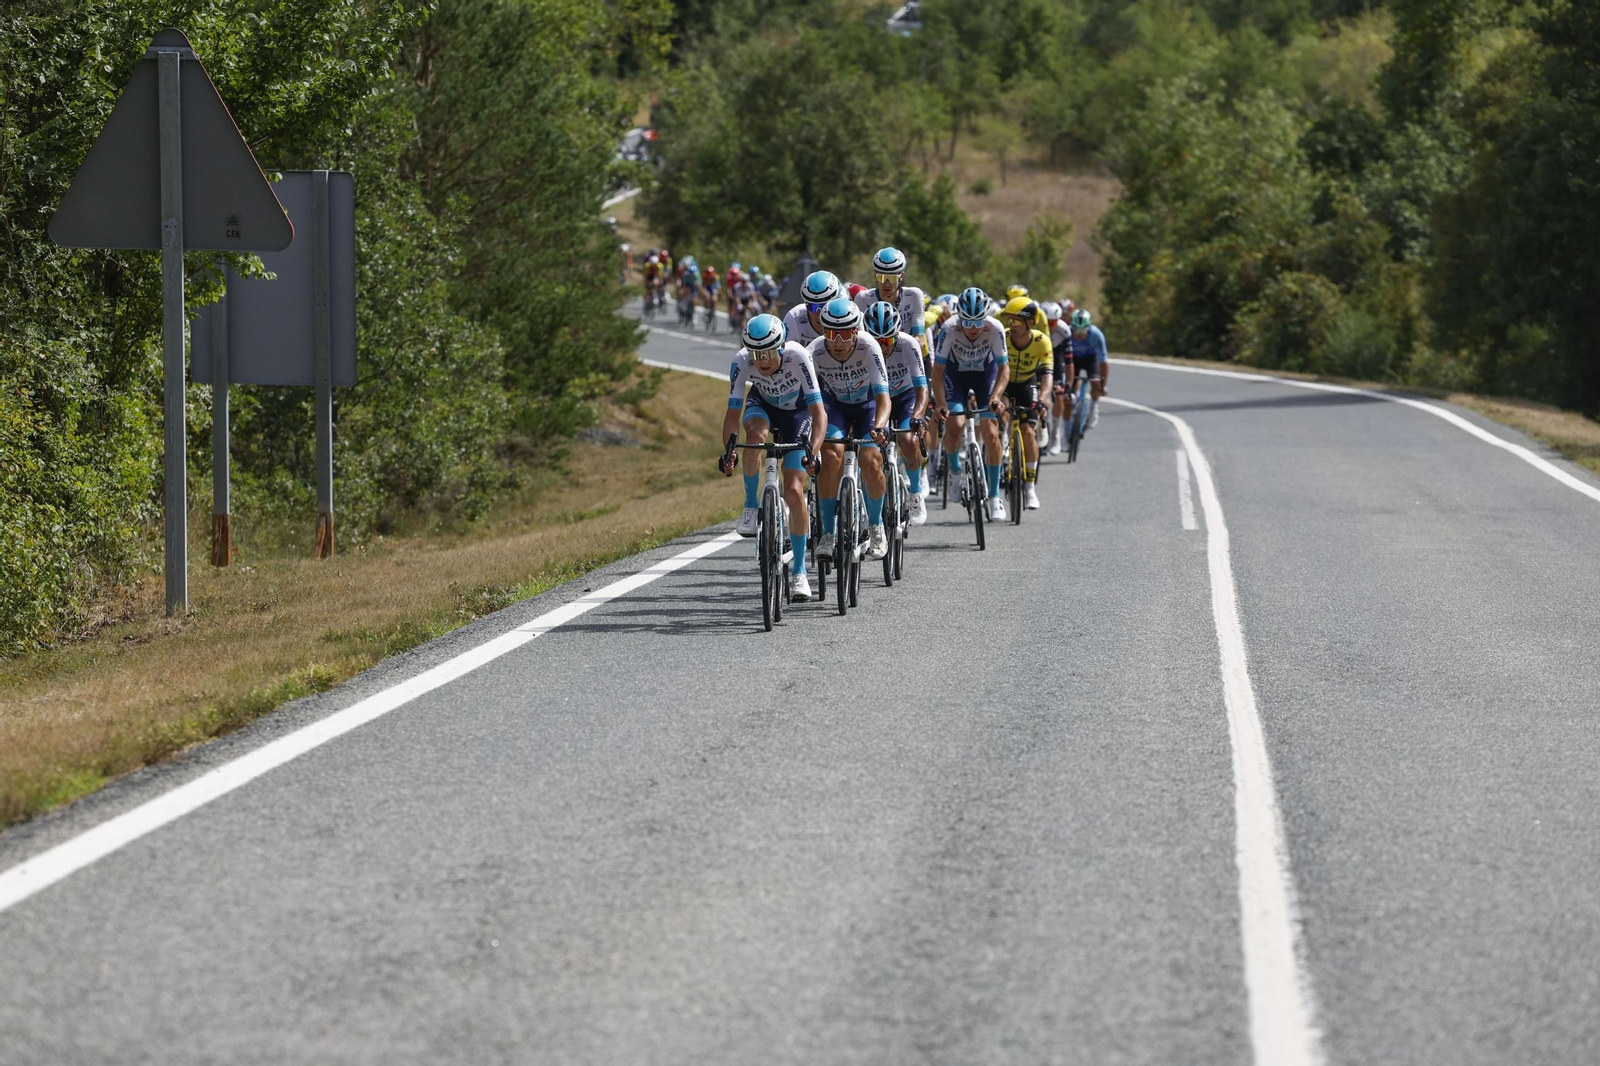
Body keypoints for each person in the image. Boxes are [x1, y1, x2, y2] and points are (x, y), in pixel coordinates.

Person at [720, 314, 827, 601]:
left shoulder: (798, 356)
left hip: (798, 414)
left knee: (794, 490)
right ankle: (751, 506)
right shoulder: (741, 361)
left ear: (781, 348)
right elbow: (732, 415)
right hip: (763, 406)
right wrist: (729, 451)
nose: (762, 360)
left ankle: (800, 572)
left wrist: (813, 453)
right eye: (756, 353)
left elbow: (819, 414)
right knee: (754, 437)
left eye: (768, 352)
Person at [808, 298, 892, 563]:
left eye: (845, 333)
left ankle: (877, 526)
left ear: (856, 331)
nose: (838, 341)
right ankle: (828, 534)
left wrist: (879, 426)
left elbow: (884, 398)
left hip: (868, 406)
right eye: (831, 333)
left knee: (871, 459)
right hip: (834, 406)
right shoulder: (814, 351)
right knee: (831, 456)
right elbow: (809, 399)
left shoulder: (870, 346)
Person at [931, 287, 1010, 521]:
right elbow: (938, 372)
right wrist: (941, 403)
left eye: (978, 322)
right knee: (955, 423)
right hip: (956, 376)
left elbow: (1004, 369)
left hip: (985, 376)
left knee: (991, 432)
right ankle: (955, 470)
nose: (973, 328)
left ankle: (995, 496)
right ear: (959, 317)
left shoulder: (995, 328)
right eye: (967, 322)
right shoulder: (948, 328)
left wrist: (995, 397)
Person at [862, 301, 931, 525]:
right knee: (868, 449)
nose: (882, 346)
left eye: (888, 340)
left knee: (909, 440)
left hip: (904, 396)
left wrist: (918, 416)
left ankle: (915, 491)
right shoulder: (861, 346)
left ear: (898, 334)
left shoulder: (909, 344)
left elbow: (922, 388)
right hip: (874, 398)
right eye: (877, 340)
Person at [998, 297, 1053, 509]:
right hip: (1005, 382)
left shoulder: (1042, 341)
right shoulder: (1002, 337)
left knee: (1028, 430)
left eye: (1017, 321)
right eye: (1010, 319)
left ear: (1031, 322)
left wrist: (1043, 399)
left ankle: (1030, 487)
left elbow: (1047, 373)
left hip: (1027, 384)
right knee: (1000, 415)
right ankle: (1001, 451)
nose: (1012, 324)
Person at [1064, 307, 1109, 429]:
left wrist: (1103, 384)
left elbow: (1103, 362)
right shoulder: (1066, 332)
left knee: (1095, 382)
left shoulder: (1096, 335)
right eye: (1076, 331)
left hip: (1091, 359)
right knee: (1067, 395)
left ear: (1088, 327)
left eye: (1083, 331)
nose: (1079, 335)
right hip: (1074, 360)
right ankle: (1066, 430)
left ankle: (1094, 407)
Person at [783, 270, 843, 348]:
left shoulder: (847, 318)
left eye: (823, 308)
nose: (818, 314)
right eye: (812, 307)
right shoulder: (794, 318)